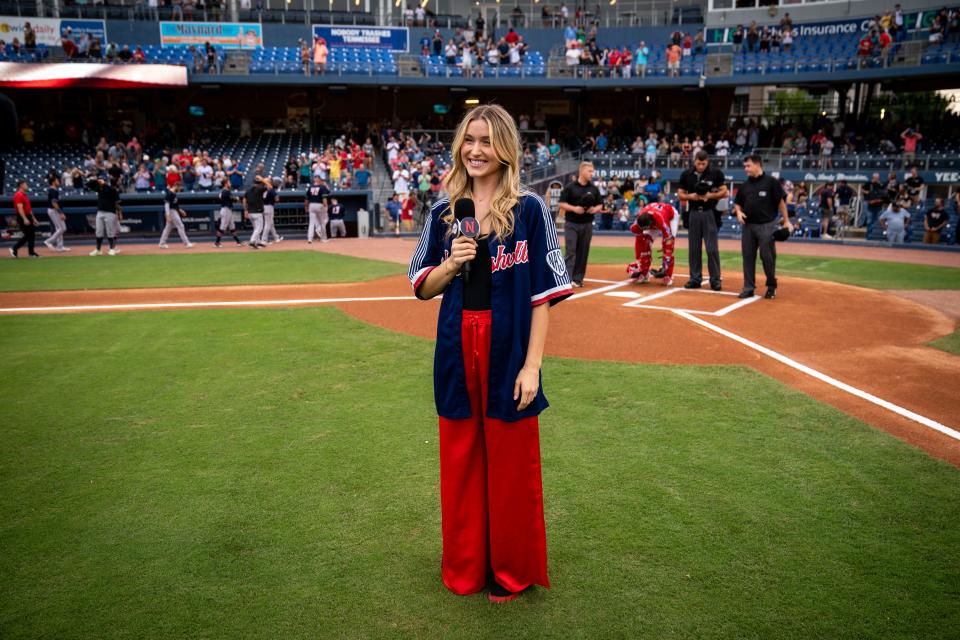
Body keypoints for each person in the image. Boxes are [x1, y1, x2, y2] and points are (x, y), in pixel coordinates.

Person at [407, 104, 571, 604]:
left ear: (505, 149)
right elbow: (422, 285)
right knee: (460, 459)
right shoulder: (442, 212)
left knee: (509, 467)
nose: (475, 151)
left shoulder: (530, 209)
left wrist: (532, 366)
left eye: (486, 141)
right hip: (458, 346)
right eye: (468, 140)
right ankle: (465, 568)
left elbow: (544, 295)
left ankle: (510, 571)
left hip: (509, 348)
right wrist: (452, 264)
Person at [733, 155, 793, 300]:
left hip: (766, 226)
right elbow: (737, 203)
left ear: (757, 164)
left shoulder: (771, 182)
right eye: (745, 166)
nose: (745, 169)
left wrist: (786, 221)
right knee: (748, 257)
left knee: (767, 257)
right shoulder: (745, 185)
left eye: (748, 166)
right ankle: (748, 288)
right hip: (748, 226)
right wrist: (739, 212)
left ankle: (771, 286)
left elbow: (781, 203)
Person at [677, 150, 727, 291]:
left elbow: (725, 192)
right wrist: (691, 196)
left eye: (703, 164)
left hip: (709, 213)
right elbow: (680, 194)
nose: (701, 166)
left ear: (707, 162)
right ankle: (695, 278)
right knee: (694, 248)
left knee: (711, 248)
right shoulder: (686, 174)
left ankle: (715, 280)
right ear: (694, 161)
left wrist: (710, 195)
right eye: (698, 163)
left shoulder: (715, 173)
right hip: (693, 213)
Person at [558, 162, 602, 287]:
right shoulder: (570, 187)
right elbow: (561, 203)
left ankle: (577, 279)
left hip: (587, 224)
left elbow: (600, 204)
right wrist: (574, 208)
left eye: (592, 171)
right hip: (571, 223)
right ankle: (566, 279)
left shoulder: (594, 188)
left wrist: (594, 209)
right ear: (582, 171)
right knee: (570, 251)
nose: (591, 174)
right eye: (589, 171)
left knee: (583, 251)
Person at [626, 201, 678, 286]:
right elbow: (639, 241)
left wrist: (665, 265)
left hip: (670, 217)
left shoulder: (662, 220)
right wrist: (639, 261)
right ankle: (645, 273)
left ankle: (668, 274)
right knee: (645, 242)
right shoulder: (640, 221)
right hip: (654, 218)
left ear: (650, 224)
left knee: (667, 245)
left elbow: (669, 241)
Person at [88, 176, 123, 256]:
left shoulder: (112, 189)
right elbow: (88, 185)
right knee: (99, 231)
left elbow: (117, 203)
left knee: (110, 232)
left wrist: (120, 213)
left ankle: (111, 249)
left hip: (110, 212)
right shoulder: (99, 189)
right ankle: (98, 249)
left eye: (102, 180)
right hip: (100, 212)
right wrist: (95, 180)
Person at [10, 179, 40, 258]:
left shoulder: (24, 195)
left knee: (31, 235)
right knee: (28, 235)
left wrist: (33, 219)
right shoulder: (18, 195)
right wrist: (24, 218)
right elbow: (20, 208)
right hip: (22, 216)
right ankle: (14, 248)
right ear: (21, 185)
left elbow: (29, 209)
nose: (27, 186)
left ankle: (31, 253)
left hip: (27, 216)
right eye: (26, 184)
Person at [159, 182, 194, 249]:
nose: (180, 189)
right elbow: (167, 205)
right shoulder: (170, 193)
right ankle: (186, 243)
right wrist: (167, 215)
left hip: (173, 210)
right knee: (180, 226)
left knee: (168, 228)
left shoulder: (173, 194)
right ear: (176, 186)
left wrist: (180, 211)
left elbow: (174, 205)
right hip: (171, 212)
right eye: (180, 187)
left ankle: (162, 243)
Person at [243, 174, 269, 249]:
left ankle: (257, 242)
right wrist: (262, 179)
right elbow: (269, 186)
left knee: (256, 228)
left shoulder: (248, 190)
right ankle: (252, 241)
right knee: (259, 228)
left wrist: (245, 210)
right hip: (257, 212)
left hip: (250, 212)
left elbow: (244, 200)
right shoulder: (260, 188)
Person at [44, 176, 69, 252]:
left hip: (54, 210)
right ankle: (48, 241)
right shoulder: (53, 190)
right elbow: (54, 203)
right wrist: (61, 213)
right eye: (57, 180)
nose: (58, 181)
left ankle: (60, 246)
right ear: (53, 182)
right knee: (61, 228)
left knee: (61, 228)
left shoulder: (54, 190)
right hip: (53, 210)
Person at [305, 175, 330, 243]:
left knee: (311, 223)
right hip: (319, 205)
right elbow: (325, 198)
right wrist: (325, 206)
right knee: (322, 222)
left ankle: (310, 239)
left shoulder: (310, 187)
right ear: (319, 180)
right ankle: (323, 238)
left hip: (311, 205)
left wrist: (306, 207)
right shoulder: (322, 187)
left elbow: (306, 199)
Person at [861, 173, 887, 238]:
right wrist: (867, 192)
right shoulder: (868, 183)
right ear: (873, 177)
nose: (877, 179)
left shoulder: (879, 184)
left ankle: (874, 235)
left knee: (877, 220)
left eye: (878, 178)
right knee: (869, 219)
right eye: (876, 178)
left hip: (878, 205)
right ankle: (868, 235)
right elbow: (862, 189)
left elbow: (883, 191)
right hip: (868, 202)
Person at [262, 178, 283, 244]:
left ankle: (276, 237)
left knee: (271, 223)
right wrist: (276, 199)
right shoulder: (271, 189)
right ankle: (264, 239)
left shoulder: (263, 189)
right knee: (268, 224)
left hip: (263, 206)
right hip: (269, 207)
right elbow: (277, 199)